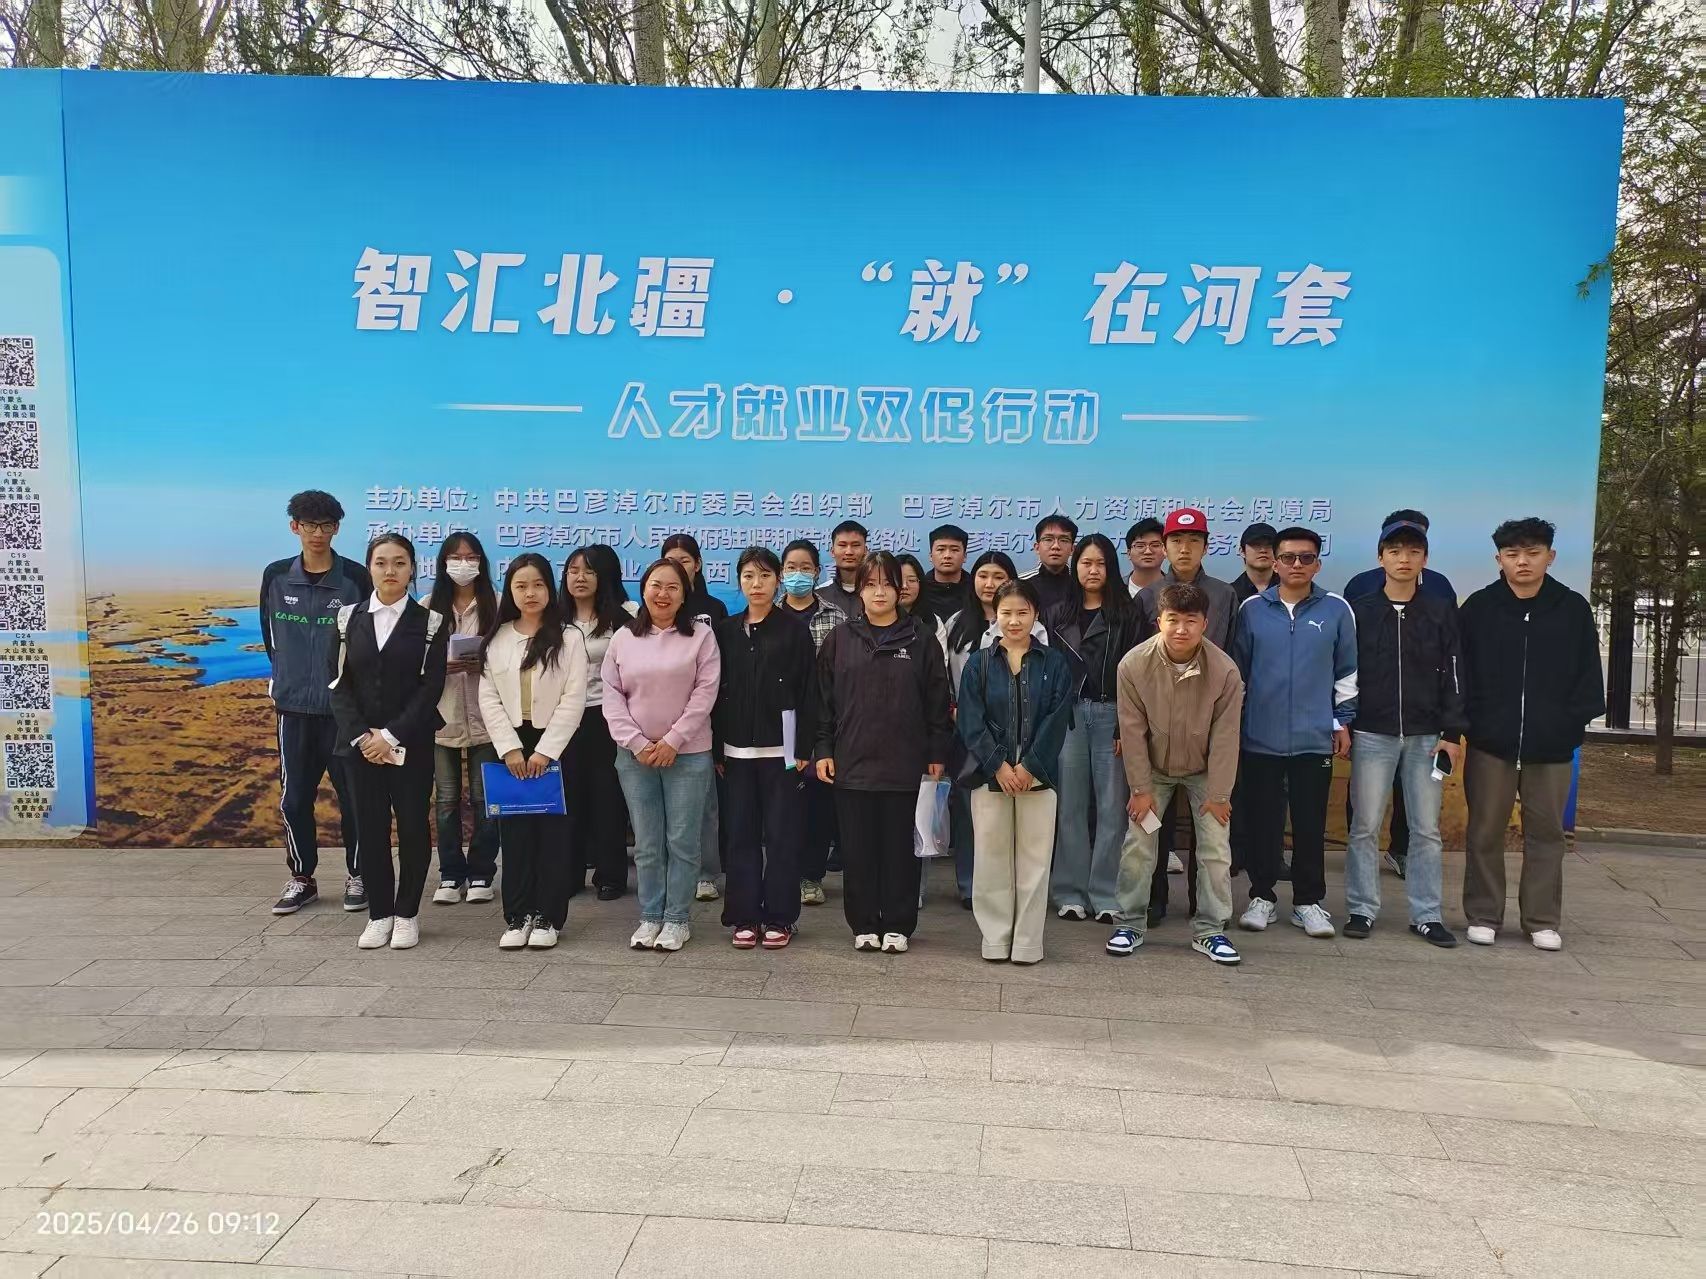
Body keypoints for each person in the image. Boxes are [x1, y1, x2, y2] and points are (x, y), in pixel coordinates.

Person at [1459, 517, 1604, 952]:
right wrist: (1474, 722)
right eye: (1513, 554)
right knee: (1484, 831)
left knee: (1547, 834)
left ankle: (1541, 920)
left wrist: (1567, 725)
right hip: (1491, 743)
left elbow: (1588, 675)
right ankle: (1483, 914)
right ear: (1499, 559)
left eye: (1533, 553)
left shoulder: (1571, 608)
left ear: (1550, 557)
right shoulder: (1480, 608)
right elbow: (1461, 672)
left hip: (1552, 747)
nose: (1522, 561)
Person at [815, 552, 953, 953]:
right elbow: (821, 703)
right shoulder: (840, 639)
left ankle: (897, 924)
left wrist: (936, 752)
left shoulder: (921, 639)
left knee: (900, 851)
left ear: (900, 589)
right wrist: (823, 748)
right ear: (859, 589)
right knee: (857, 851)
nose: (880, 592)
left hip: (905, 765)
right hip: (852, 763)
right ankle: (863, 923)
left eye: (888, 584)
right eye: (871, 584)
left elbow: (937, 703)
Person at [1107, 582, 1245, 964]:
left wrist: (1219, 795)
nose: (1181, 629)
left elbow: (1226, 737)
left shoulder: (1225, 671)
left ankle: (1211, 930)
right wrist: (1140, 789)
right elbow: (1132, 732)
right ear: (1159, 622)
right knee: (1139, 843)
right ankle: (1129, 923)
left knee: (1215, 848)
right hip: (1153, 771)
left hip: (1204, 771)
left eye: (1190, 621)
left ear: (1205, 624)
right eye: (1173, 620)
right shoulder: (1133, 665)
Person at [1343, 519, 1466, 947]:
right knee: (1364, 825)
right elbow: (1345, 673)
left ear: (1425, 560)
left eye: (1413, 552)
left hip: (1427, 736)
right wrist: (1345, 723)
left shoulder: (1440, 610)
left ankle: (1427, 915)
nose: (1404, 559)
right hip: (1372, 733)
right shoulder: (1360, 610)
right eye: (1394, 551)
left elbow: (1456, 674)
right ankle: (1361, 908)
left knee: (1425, 829)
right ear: (1380, 558)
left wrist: (1452, 732)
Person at [1233, 527, 1357, 940]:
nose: (1296, 565)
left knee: (1309, 823)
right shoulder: (1252, 609)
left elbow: (1347, 671)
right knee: (1263, 822)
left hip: (1314, 737)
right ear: (1275, 562)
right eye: (1288, 557)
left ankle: (1308, 902)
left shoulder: (1336, 609)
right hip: (1260, 737)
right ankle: (1262, 896)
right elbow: (1239, 673)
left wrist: (1340, 721)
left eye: (1306, 558)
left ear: (1317, 564)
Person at [327, 533, 448, 951]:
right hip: (359, 747)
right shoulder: (346, 619)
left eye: (399, 562)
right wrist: (364, 737)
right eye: (381, 562)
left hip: (411, 744)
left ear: (413, 569)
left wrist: (391, 735)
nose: (390, 570)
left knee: (413, 827)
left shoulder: (431, 622)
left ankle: (407, 912)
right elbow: (337, 684)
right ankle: (379, 914)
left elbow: (431, 687)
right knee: (370, 829)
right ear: (370, 568)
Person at [603, 559, 721, 952]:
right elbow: (611, 695)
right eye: (656, 585)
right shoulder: (624, 637)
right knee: (648, 843)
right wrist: (637, 743)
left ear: (685, 594)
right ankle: (650, 915)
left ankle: (677, 920)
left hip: (687, 755)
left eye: (673, 587)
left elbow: (705, 692)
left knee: (683, 841)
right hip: (634, 757)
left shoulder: (701, 636)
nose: (663, 594)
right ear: (644, 590)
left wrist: (673, 740)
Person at [263, 490, 371, 915]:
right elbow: (271, 638)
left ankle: (359, 874)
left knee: (354, 799)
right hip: (293, 710)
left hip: (343, 712)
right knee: (294, 799)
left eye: (326, 525)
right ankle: (302, 878)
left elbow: (366, 641)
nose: (317, 533)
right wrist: (288, 678)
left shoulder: (355, 578)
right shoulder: (275, 577)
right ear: (295, 527)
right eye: (309, 525)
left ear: (336, 528)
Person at [958, 580, 1074, 964]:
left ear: (1035, 615)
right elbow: (970, 720)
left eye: (1022, 612)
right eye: (1006, 613)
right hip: (990, 777)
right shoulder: (978, 663)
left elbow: (1057, 718)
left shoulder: (1054, 662)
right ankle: (994, 939)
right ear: (995, 615)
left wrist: (1029, 766)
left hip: (1038, 776)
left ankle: (1027, 943)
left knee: (1035, 862)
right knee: (990, 859)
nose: (1014, 621)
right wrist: (999, 765)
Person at [478, 553, 589, 949]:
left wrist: (546, 752)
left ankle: (548, 916)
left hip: (554, 745)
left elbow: (574, 698)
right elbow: (488, 697)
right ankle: (517, 915)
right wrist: (509, 748)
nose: (530, 593)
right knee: (515, 834)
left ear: (549, 588)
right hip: (511, 745)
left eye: (538, 584)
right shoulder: (498, 637)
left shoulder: (569, 637)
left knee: (554, 834)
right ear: (509, 590)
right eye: (521, 586)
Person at [1136, 508, 1237, 919]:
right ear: (1165, 546)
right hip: (1158, 727)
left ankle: (1203, 907)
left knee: (1207, 822)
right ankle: (1154, 900)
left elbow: (1234, 657)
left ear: (1206, 546)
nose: (1185, 548)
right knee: (1152, 823)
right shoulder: (1147, 596)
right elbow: (1135, 665)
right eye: (1177, 540)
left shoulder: (1225, 595)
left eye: (1194, 540)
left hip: (1207, 726)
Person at [714, 547, 816, 949]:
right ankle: (744, 916)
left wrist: (804, 746)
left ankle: (780, 917)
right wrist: (716, 751)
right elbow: (713, 692)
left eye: (765, 576)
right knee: (740, 837)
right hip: (735, 753)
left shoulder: (794, 630)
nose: (757, 584)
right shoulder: (725, 631)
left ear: (778, 581)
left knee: (782, 837)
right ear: (739, 582)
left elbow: (808, 691)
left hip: (783, 752)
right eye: (748, 577)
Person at [1045, 534, 1145, 924]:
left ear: (1111, 568)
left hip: (1112, 715)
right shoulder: (1057, 614)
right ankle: (1069, 892)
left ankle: (1106, 893)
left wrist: (1125, 725)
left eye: (1100, 563)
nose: (1092, 570)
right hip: (1069, 716)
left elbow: (1137, 676)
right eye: (1086, 563)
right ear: (1076, 567)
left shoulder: (1128, 613)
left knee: (1111, 808)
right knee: (1069, 806)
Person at [937, 550, 1023, 908]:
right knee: (968, 810)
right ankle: (971, 884)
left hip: (1013, 732)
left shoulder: (1023, 622)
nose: (990, 584)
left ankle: (1005, 884)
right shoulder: (957, 623)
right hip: (966, 731)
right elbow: (942, 676)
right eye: (983, 576)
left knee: (1009, 810)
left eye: (998, 577)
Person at [561, 544, 638, 901]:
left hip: (608, 716)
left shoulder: (624, 617)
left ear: (602, 577)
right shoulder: (554, 618)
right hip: (564, 717)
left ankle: (610, 875)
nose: (580, 578)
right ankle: (570, 872)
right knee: (569, 796)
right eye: (573, 570)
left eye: (588, 571)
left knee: (608, 797)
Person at [427, 533, 500, 906]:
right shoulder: (427, 608)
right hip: (442, 717)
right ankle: (450, 874)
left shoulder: (497, 604)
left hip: (487, 718)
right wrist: (440, 666)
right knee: (446, 801)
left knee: (486, 800)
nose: (463, 564)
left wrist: (483, 663)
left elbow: (513, 656)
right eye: (456, 557)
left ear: (481, 563)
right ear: (443, 563)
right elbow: (411, 663)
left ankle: (482, 872)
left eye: (471, 557)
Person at [779, 538, 847, 907]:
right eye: (791, 568)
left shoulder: (836, 617)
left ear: (818, 572)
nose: (798, 574)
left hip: (822, 723)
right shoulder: (768, 614)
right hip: (777, 726)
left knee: (819, 806)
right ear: (781, 573)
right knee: (783, 805)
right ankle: (783, 874)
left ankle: (811, 877)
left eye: (805, 568)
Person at [662, 532, 727, 902]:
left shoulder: (713, 608)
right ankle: (670, 870)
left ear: (698, 565)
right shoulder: (654, 610)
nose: (678, 567)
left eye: (684, 560)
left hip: (703, 719)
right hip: (658, 724)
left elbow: (718, 671)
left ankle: (706, 873)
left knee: (704, 804)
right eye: (670, 560)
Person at [1022, 513, 1077, 614]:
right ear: (1037, 548)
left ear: (1072, 549)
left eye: (1064, 540)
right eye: (1048, 539)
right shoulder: (1021, 583)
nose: (1056, 546)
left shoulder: (1080, 582)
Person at [922, 523, 976, 622]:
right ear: (930, 556)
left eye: (954, 550)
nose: (947, 555)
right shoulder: (919, 589)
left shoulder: (975, 589)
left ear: (965, 556)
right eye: (941, 549)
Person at [818, 519, 869, 618]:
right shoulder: (819, 597)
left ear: (865, 551)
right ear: (832, 551)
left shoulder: (876, 596)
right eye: (842, 545)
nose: (849, 552)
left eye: (855, 545)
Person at [1229, 522, 1278, 603]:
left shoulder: (1291, 589)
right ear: (1242, 551)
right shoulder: (1229, 593)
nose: (1263, 550)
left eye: (1269, 545)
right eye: (1256, 545)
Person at [1123, 518, 1166, 597]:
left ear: (1165, 551)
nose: (1148, 552)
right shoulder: (1115, 589)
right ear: (1129, 553)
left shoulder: (1177, 589)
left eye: (1155, 545)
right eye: (1140, 546)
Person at [896, 553, 934, 627]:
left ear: (921, 584)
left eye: (911, 580)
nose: (904, 586)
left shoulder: (933, 621)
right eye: (898, 580)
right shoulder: (875, 620)